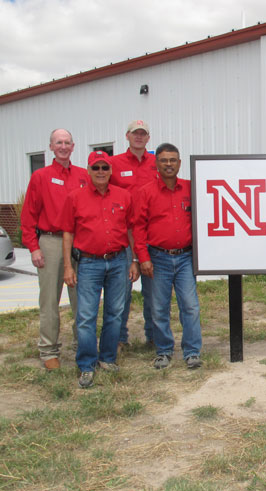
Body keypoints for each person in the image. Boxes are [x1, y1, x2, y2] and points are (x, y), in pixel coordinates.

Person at [60, 151, 139, 388]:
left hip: (118, 261)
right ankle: (86, 365)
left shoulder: (124, 196)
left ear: (111, 171)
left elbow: (131, 230)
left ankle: (107, 358)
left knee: (115, 312)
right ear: (88, 170)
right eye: (96, 168)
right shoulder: (75, 197)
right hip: (89, 263)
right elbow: (67, 234)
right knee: (86, 316)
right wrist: (67, 267)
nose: (101, 172)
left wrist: (133, 260)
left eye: (105, 167)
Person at [20, 129, 89, 369]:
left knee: (82, 299)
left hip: (78, 243)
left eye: (67, 142)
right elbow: (28, 215)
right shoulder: (40, 176)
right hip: (50, 241)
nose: (63, 146)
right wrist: (33, 247)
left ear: (73, 146)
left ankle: (83, 345)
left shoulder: (84, 175)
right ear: (51, 146)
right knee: (49, 301)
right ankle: (49, 350)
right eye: (58, 142)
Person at [133, 143, 202, 369]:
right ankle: (163, 351)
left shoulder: (191, 188)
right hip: (158, 258)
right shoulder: (146, 192)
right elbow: (139, 227)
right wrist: (142, 257)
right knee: (159, 307)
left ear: (180, 163)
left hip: (185, 258)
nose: (169, 164)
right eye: (164, 160)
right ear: (157, 164)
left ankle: (192, 352)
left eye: (173, 160)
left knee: (190, 306)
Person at [110, 120, 158, 349]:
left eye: (143, 134)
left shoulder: (156, 163)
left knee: (153, 291)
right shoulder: (113, 164)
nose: (139, 137)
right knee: (122, 291)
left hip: (151, 235)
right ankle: (119, 338)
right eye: (135, 133)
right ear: (127, 136)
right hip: (124, 237)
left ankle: (153, 335)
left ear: (148, 138)